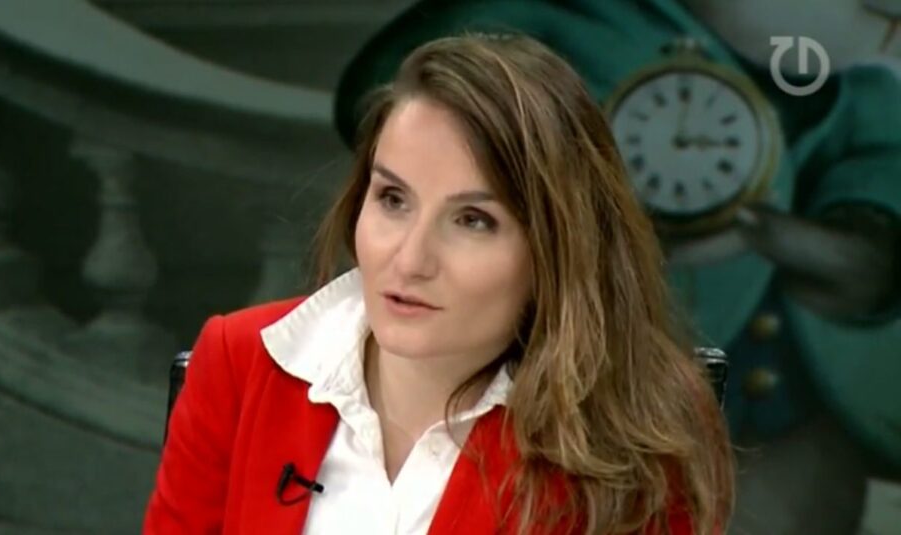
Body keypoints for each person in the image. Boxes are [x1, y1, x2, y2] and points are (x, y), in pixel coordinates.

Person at [144, 33, 733, 535]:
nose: (410, 259)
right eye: (393, 199)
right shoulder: (239, 363)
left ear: (558, 248)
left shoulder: (640, 423)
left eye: (472, 220)